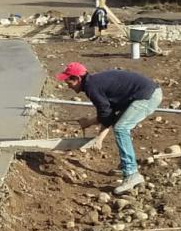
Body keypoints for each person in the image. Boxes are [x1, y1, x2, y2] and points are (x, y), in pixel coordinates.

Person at [56, 61, 162, 195]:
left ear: (77, 79)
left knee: (121, 128)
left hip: (147, 96)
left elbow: (106, 115)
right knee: (120, 126)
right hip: (144, 93)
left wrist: (99, 138)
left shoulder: (92, 88)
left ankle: (131, 174)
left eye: (68, 81)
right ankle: (127, 167)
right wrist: (89, 123)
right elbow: (109, 113)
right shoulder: (93, 83)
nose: (67, 85)